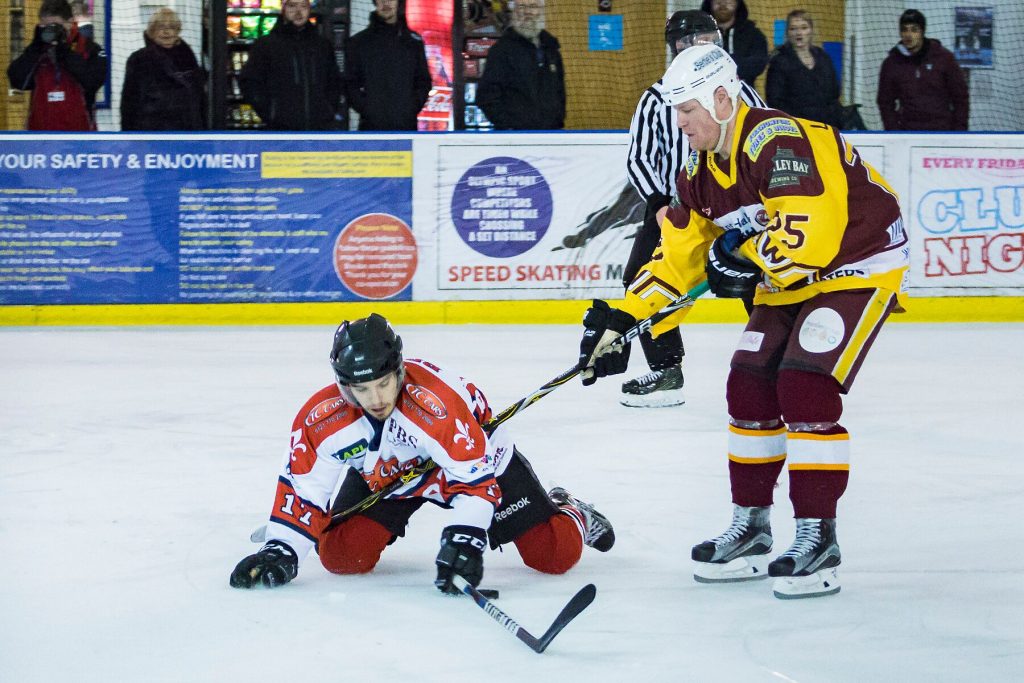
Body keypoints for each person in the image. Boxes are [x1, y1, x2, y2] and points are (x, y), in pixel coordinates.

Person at [578, 45, 908, 599]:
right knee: (748, 385)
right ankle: (752, 528)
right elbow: (681, 255)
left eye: (687, 110)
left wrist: (744, 259)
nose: (679, 123)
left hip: (857, 265)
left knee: (804, 384)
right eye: (676, 111)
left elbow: (812, 238)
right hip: (789, 278)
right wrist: (622, 316)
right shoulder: (697, 167)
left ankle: (816, 537)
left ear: (723, 99)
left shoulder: (778, 141)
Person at [230, 314, 614, 591]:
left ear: (398, 370)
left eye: (383, 384)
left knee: (553, 557)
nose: (376, 399)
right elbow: (304, 488)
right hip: (391, 477)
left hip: (472, 467)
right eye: (361, 390)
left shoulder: (437, 406)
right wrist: (282, 548)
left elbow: (476, 485)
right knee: (343, 557)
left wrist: (464, 538)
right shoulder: (322, 420)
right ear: (343, 386)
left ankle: (572, 509)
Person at [622, 10, 766, 408]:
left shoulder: (740, 92)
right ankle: (667, 369)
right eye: (689, 40)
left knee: (762, 278)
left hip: (735, 207)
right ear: (675, 48)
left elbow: (763, 142)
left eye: (708, 38)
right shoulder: (657, 98)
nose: (700, 46)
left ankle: (774, 357)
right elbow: (638, 158)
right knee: (640, 277)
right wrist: (658, 206)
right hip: (676, 208)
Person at [239, 0, 342, 130]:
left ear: (309, 9)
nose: (299, 12)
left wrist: (329, 110)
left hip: (319, 130)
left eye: (303, 6)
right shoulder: (266, 45)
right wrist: (270, 113)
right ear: (283, 8)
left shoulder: (322, 45)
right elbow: (250, 82)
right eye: (293, 5)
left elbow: (334, 81)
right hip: (280, 131)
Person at [6, 0, 106, 131]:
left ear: (70, 22)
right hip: (40, 139)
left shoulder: (90, 49)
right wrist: (35, 47)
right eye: (45, 26)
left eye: (55, 26)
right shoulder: (38, 51)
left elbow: (92, 82)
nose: (50, 31)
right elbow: (17, 81)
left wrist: (64, 51)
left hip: (81, 138)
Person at [476, 0, 565, 130]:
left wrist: (557, 121)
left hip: (550, 136)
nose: (527, 12)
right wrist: (509, 127)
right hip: (514, 140)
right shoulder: (501, 50)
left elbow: (560, 92)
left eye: (533, 6)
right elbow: (486, 97)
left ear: (541, 11)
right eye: (522, 6)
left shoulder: (551, 49)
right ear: (514, 11)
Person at [344, 0, 431, 131]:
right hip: (371, 129)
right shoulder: (358, 43)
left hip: (406, 130)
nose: (386, 3)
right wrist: (368, 110)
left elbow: (423, 81)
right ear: (375, 3)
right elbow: (350, 84)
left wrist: (410, 108)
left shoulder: (414, 42)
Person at [876, 9, 968, 131]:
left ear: (922, 32)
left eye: (914, 30)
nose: (908, 35)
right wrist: (893, 131)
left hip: (942, 132)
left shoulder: (944, 59)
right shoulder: (891, 63)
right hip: (907, 133)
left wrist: (958, 132)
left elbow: (960, 98)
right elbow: (885, 102)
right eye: (904, 29)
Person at [121, 8, 207, 131]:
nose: (167, 32)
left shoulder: (188, 57)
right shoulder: (139, 59)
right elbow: (129, 103)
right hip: (152, 134)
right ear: (152, 31)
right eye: (161, 27)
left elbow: (200, 98)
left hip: (189, 132)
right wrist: (129, 137)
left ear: (177, 31)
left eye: (171, 27)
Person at [765, 10, 843, 129]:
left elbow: (834, 93)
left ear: (811, 30)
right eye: (793, 28)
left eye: (803, 27)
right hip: (795, 128)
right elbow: (775, 101)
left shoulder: (823, 57)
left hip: (826, 127)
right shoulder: (779, 61)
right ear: (787, 32)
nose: (798, 33)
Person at [699, 0, 768, 89]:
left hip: (743, 97)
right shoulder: (698, 34)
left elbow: (758, 63)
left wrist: (721, 65)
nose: (723, 3)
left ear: (737, 2)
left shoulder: (753, 34)